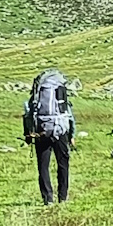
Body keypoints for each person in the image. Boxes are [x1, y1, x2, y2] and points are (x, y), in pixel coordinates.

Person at [25, 68, 75, 204]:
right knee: (63, 164)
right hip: (61, 130)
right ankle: (63, 197)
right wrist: (72, 135)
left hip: (41, 131)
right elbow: (69, 115)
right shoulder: (60, 92)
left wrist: (28, 134)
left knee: (43, 166)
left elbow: (28, 113)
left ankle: (48, 198)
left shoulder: (38, 92)